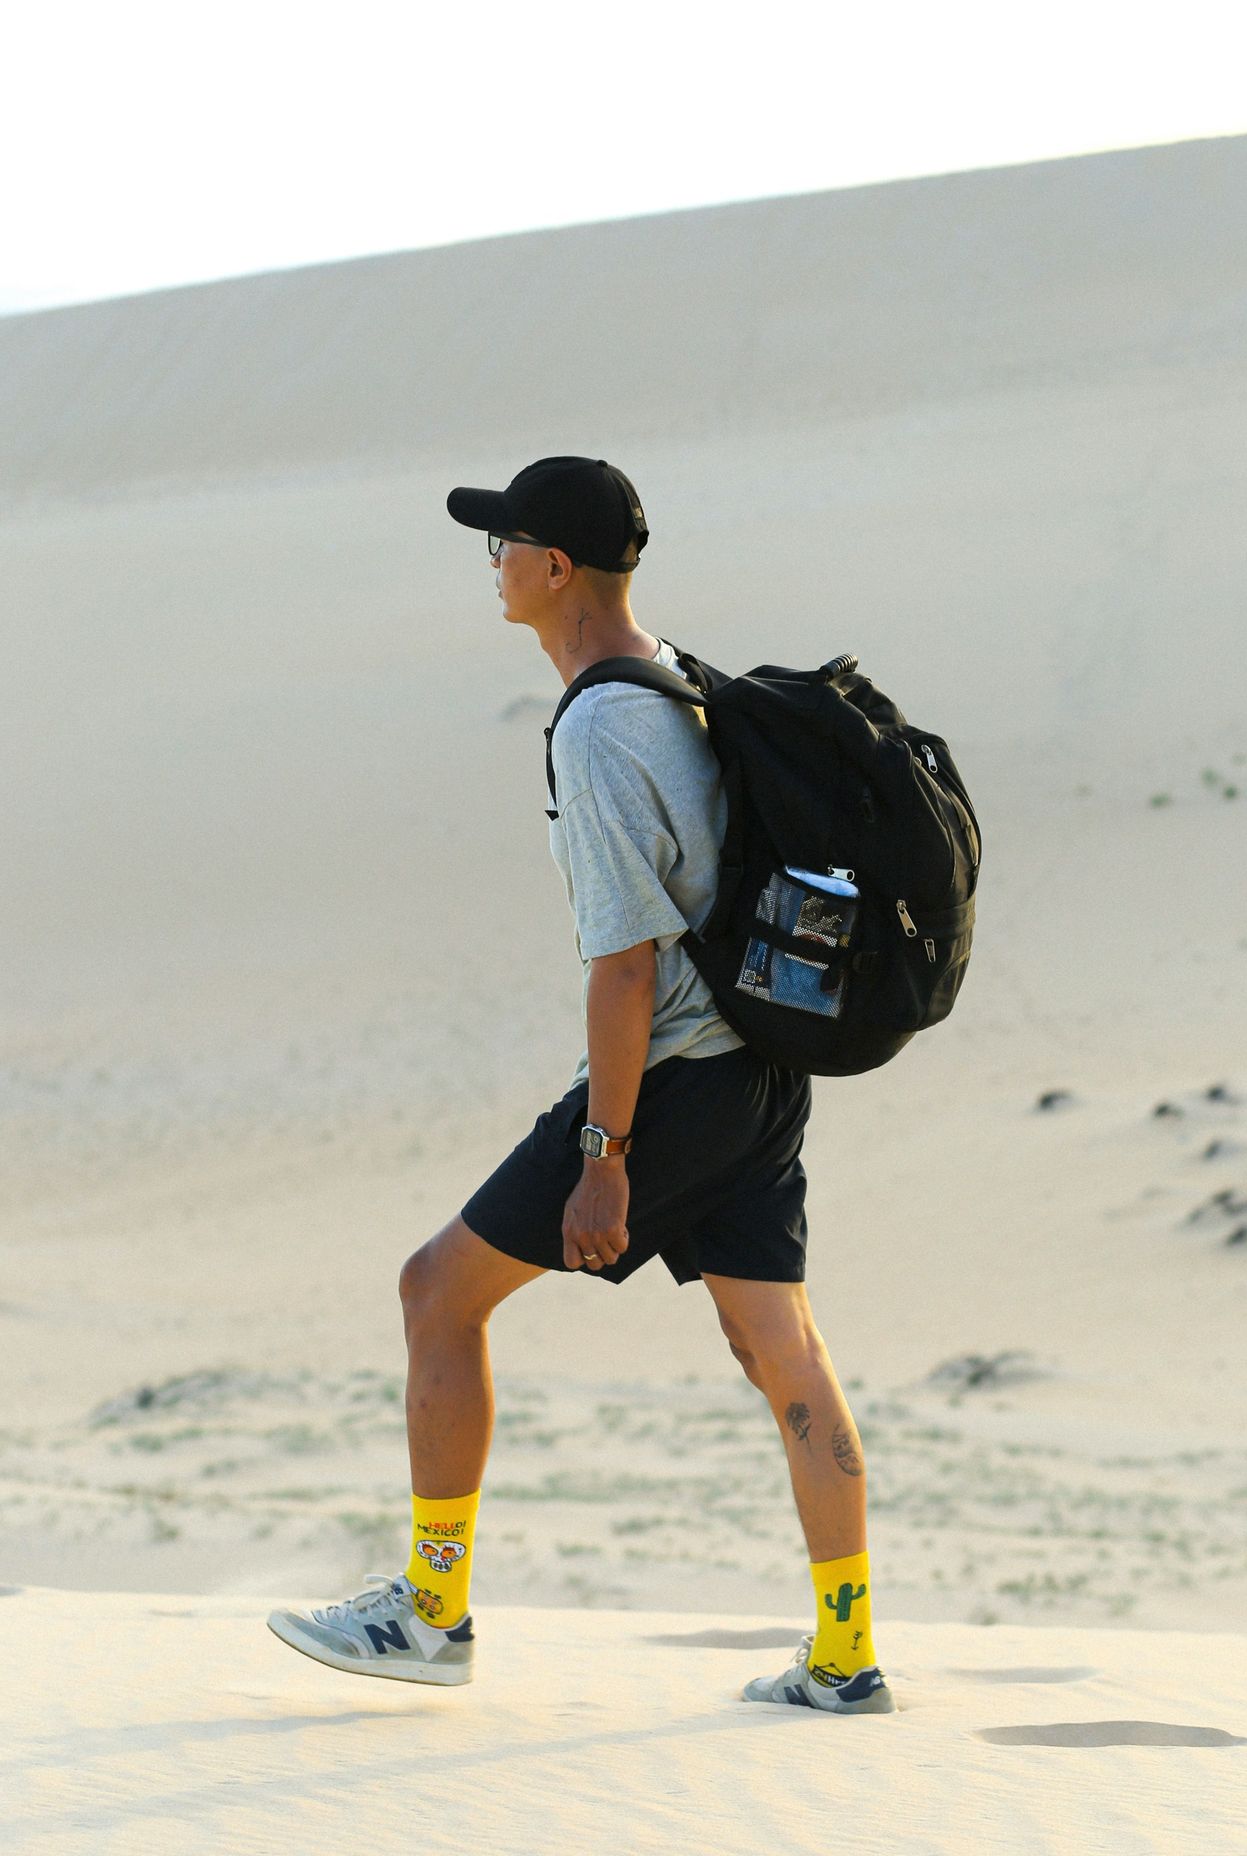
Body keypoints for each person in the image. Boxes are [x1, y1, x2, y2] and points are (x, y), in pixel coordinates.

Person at [267, 456, 894, 1714]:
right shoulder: (676, 682)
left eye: (501, 541)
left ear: (552, 567)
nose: (490, 561)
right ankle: (844, 1652)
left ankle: (430, 1609)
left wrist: (604, 1154)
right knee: (782, 1349)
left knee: (436, 1292)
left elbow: (623, 966)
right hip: (757, 1073)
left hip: (663, 1081)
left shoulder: (605, 725)